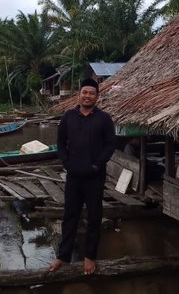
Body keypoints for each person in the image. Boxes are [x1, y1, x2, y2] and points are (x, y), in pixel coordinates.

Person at [48, 78, 116, 275]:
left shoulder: (104, 119)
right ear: (79, 95)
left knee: (95, 216)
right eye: (84, 92)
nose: (87, 96)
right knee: (70, 215)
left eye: (91, 93)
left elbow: (110, 145)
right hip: (74, 176)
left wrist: (96, 165)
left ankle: (89, 256)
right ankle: (63, 256)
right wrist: (66, 162)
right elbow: (60, 143)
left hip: (95, 177)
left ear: (97, 96)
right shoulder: (68, 117)